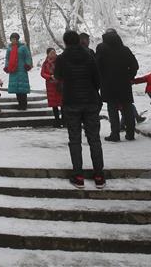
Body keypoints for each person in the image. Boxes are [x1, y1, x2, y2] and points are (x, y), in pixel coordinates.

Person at [54, 29, 105, 189]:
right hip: (90, 102)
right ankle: (99, 175)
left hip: (71, 103)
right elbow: (97, 80)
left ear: (65, 42)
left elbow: (57, 77)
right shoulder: (89, 56)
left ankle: (78, 175)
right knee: (94, 139)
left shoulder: (62, 59)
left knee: (74, 139)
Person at [95, 29, 139, 141]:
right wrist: (129, 76)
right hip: (124, 84)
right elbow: (134, 65)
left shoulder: (101, 48)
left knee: (112, 110)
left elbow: (96, 65)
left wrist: (101, 79)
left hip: (108, 84)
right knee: (127, 109)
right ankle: (130, 133)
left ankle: (115, 134)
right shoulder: (125, 50)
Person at [4, 32, 32, 110]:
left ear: (17, 39)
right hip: (13, 70)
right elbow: (7, 58)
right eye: (11, 39)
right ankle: (20, 104)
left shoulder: (23, 47)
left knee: (22, 88)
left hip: (22, 69)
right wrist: (6, 66)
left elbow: (27, 56)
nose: (13, 41)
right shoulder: (9, 48)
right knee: (16, 88)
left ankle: (24, 104)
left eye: (14, 39)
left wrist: (28, 64)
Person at [40, 47, 63, 126]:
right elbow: (42, 73)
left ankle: (64, 121)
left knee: (62, 103)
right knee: (54, 105)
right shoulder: (45, 63)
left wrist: (57, 76)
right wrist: (50, 76)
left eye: (54, 52)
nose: (53, 54)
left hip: (59, 85)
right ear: (48, 54)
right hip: (50, 86)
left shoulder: (59, 61)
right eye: (51, 53)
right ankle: (57, 121)